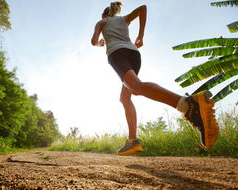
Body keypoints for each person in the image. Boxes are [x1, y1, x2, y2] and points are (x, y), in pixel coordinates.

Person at [91, 2, 219, 156]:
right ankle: (132, 141)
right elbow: (142, 8)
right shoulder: (123, 19)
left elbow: (93, 41)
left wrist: (99, 43)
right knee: (125, 97)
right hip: (134, 54)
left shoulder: (102, 22)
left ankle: (187, 105)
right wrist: (140, 36)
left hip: (116, 54)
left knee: (136, 87)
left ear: (104, 15)